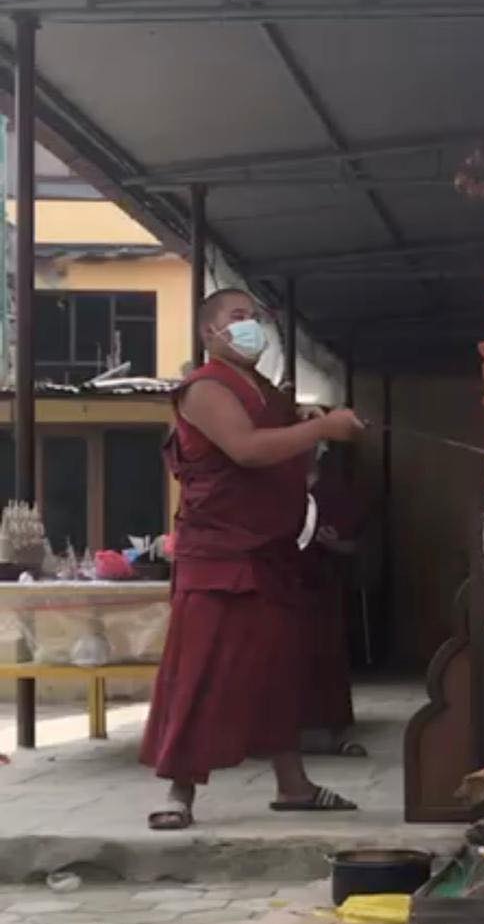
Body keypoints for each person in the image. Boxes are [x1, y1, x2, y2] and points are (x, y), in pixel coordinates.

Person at [142, 289, 364, 830]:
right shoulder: (205, 388)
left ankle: (294, 785)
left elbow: (274, 430)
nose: (250, 327)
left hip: (269, 552)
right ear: (209, 333)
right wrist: (320, 429)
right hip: (220, 555)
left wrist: (303, 415)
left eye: (255, 318)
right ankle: (180, 792)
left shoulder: (260, 388)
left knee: (275, 672)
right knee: (203, 669)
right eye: (237, 318)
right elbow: (246, 449)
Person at [299, 442, 370, 754]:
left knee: (325, 654)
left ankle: (331, 728)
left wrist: (335, 544)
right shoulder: (277, 488)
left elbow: (356, 546)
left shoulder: (335, 492)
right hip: (283, 583)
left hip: (322, 587)